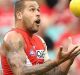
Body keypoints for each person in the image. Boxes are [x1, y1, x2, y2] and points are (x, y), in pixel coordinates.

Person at [1, 0, 80, 75]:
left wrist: (69, 58)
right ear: (19, 15)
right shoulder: (13, 37)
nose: (38, 13)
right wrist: (55, 62)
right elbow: (20, 71)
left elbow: (55, 73)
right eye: (32, 10)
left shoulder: (39, 40)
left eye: (38, 10)